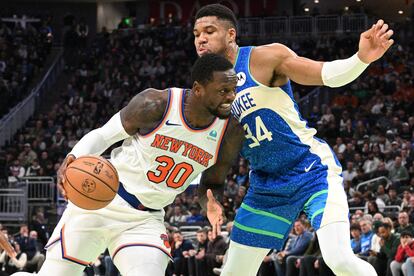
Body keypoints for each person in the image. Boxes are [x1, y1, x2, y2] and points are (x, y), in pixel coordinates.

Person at [193, 4, 394, 276]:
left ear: (231, 35)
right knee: (233, 274)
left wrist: (360, 59)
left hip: (310, 170)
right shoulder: (205, 95)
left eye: (209, 31)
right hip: (266, 186)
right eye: (196, 34)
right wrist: (210, 201)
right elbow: (214, 164)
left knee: (340, 260)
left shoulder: (264, 59)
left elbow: (327, 75)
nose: (201, 39)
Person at [10, 53, 244, 276]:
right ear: (198, 89)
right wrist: (74, 157)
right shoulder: (157, 104)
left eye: (233, 90)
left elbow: (213, 182)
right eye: (223, 91)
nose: (231, 97)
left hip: (145, 219)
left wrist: (211, 203)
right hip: (102, 201)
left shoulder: (230, 131)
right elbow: (104, 136)